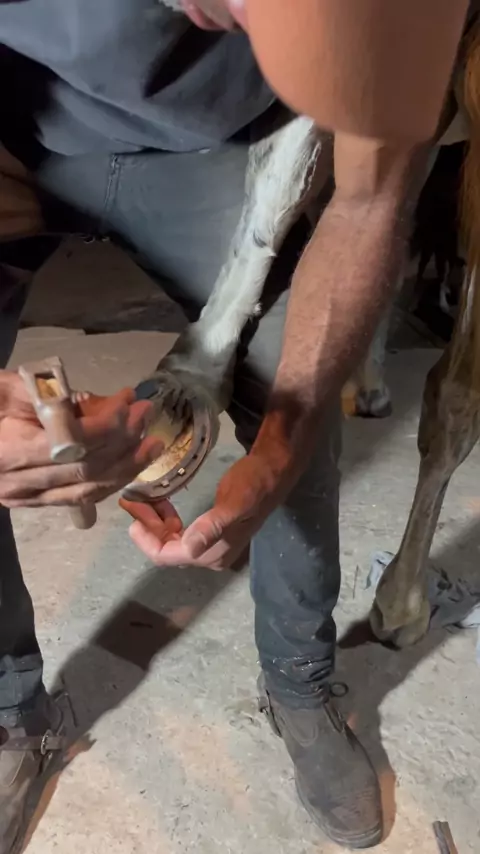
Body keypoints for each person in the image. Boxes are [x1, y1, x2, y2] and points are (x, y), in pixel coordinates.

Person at [0, 1, 471, 851]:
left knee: (294, 382)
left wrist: (282, 445)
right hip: (14, 124)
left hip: (219, 147)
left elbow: (369, 201)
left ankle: (298, 681)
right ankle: (11, 707)